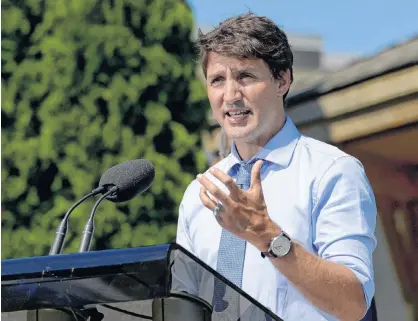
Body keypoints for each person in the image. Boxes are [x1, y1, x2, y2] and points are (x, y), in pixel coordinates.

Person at [175, 13, 377, 321]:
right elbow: (182, 304)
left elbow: (353, 304)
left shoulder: (332, 172)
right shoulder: (198, 194)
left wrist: (266, 236)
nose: (230, 95)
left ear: (282, 79)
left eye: (245, 76)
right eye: (217, 80)